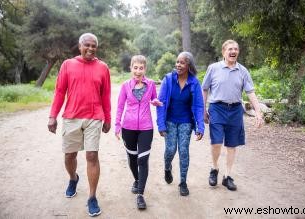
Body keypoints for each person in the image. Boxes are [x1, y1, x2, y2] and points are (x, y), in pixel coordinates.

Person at [47, 33, 111, 217]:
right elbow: (60, 92)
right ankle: (73, 178)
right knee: (69, 156)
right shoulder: (68, 65)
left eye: (94, 46)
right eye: (87, 45)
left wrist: (107, 117)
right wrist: (53, 116)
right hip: (71, 117)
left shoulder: (102, 68)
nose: (90, 48)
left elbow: (105, 95)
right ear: (80, 45)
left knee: (92, 155)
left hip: (94, 117)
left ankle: (92, 197)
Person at [202, 39, 263, 191]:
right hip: (217, 108)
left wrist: (258, 112)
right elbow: (204, 89)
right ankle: (214, 169)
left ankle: (227, 176)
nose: (233, 51)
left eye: (235, 49)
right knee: (216, 142)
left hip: (235, 110)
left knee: (231, 145)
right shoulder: (213, 68)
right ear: (223, 52)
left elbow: (250, 92)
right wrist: (202, 109)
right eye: (230, 49)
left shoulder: (243, 71)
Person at [115, 55, 162, 210]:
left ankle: (140, 194)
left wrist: (155, 102)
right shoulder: (125, 86)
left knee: (143, 160)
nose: (138, 71)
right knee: (133, 159)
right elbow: (120, 106)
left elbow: (154, 99)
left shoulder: (150, 85)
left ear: (145, 69)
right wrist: (117, 125)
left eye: (141, 68)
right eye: (135, 67)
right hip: (128, 128)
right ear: (131, 68)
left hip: (146, 128)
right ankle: (136, 180)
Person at [156, 51, 204, 196]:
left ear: (189, 65)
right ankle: (167, 167)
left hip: (185, 122)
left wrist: (200, 126)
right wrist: (161, 124)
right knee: (170, 150)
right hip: (170, 121)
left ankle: (183, 182)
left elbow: (198, 106)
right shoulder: (168, 79)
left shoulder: (194, 82)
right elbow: (161, 103)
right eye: (177, 62)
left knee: (183, 151)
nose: (178, 65)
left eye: (182, 62)